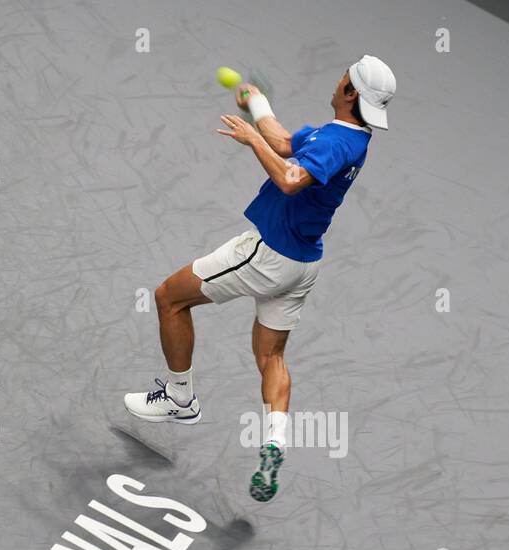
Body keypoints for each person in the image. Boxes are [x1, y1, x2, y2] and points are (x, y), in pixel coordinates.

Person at [123, 55, 396, 502]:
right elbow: (288, 143)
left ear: (351, 93)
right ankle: (274, 442)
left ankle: (179, 398)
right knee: (271, 357)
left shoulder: (333, 144)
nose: (337, 79)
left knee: (169, 299)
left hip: (267, 254)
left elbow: (290, 179)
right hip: (303, 264)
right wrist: (258, 104)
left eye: (343, 77)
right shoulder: (351, 139)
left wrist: (252, 140)